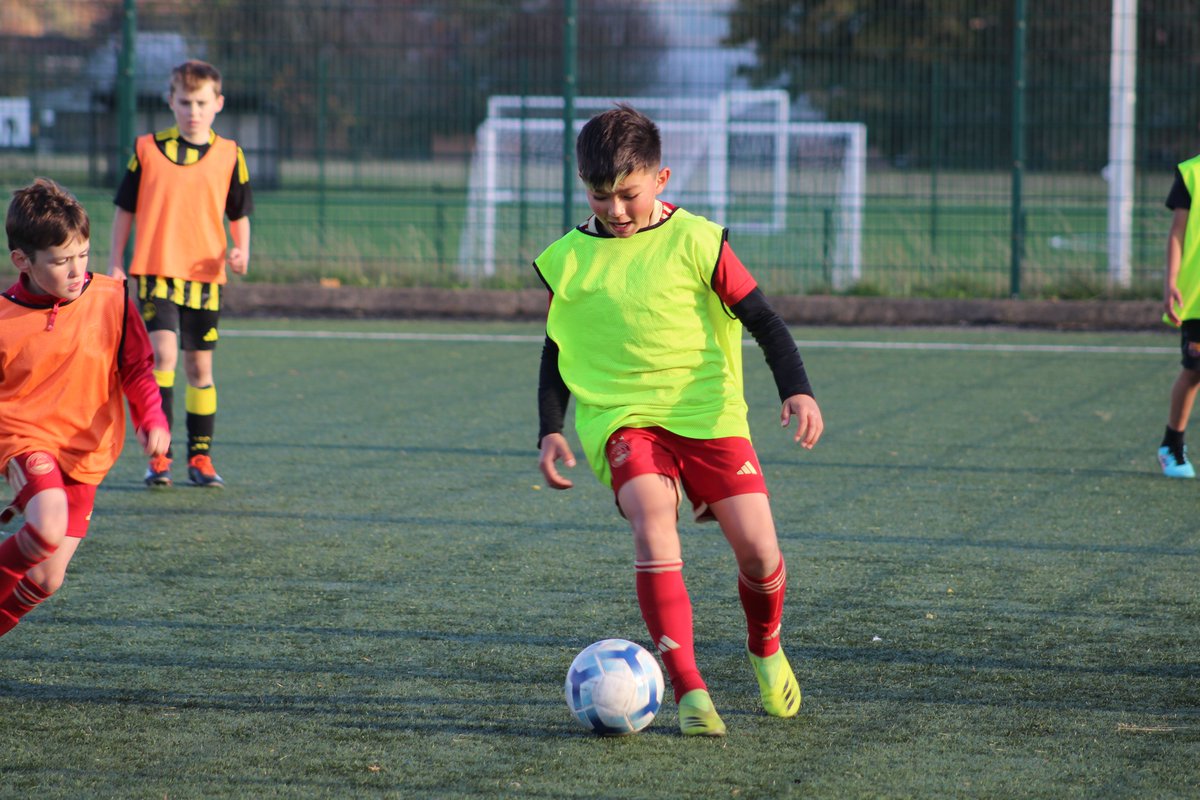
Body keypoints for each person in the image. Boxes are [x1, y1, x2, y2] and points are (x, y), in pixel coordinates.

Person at [535, 105, 824, 736]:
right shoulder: (566, 259)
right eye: (599, 195)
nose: (615, 210)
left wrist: (796, 391)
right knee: (651, 520)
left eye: (628, 194)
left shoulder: (698, 241)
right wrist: (551, 427)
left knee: (759, 549)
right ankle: (691, 690)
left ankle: (765, 646)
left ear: (660, 179)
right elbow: (560, 349)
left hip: (708, 412)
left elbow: (764, 320)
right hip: (623, 419)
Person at [0, 178, 170, 638]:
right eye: (60, 261)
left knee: (46, 577)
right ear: (23, 261)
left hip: (86, 452)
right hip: (24, 436)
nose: (76, 270)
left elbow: (136, 367)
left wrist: (151, 416)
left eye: (83, 255)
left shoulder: (112, 298)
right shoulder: (4, 318)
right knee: (47, 522)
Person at [108, 59, 253, 489]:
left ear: (218, 104)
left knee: (199, 367)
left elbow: (239, 211)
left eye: (202, 102)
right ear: (170, 101)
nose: (193, 110)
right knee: (164, 356)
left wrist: (242, 248)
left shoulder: (230, 154)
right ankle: (160, 455)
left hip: (205, 277)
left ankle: (201, 457)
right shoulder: (147, 150)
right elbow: (124, 210)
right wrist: (116, 260)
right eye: (185, 102)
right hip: (156, 273)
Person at [1159, 153, 1200, 478]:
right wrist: (1171, 282)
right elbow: (1177, 232)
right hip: (1197, 297)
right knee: (1195, 372)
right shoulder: (1191, 173)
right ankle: (1171, 445)